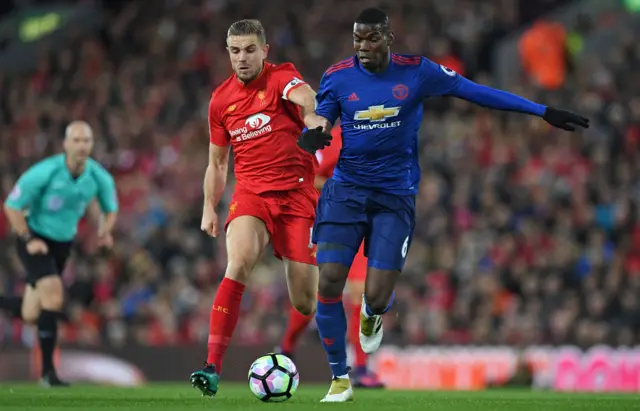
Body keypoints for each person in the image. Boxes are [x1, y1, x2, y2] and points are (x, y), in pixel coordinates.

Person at [298, 7, 589, 402]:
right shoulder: (337, 76)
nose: (363, 47)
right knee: (329, 280)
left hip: (394, 198)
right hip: (345, 193)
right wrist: (314, 133)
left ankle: (372, 314)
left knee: (378, 296)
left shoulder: (418, 72)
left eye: (371, 38)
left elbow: (477, 92)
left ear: (388, 38)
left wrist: (541, 111)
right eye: (358, 39)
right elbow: (323, 118)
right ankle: (339, 378)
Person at [189, 19, 325, 398]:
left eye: (250, 49)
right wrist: (208, 208)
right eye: (235, 51)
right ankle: (211, 366)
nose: (242, 58)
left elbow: (308, 97)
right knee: (239, 261)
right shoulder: (220, 100)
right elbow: (217, 164)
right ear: (228, 53)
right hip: (252, 195)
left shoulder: (282, 77)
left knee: (305, 301)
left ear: (264, 50)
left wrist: (313, 120)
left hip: (298, 197)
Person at [0, 121, 118, 387]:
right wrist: (28, 239)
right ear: (65, 145)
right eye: (75, 140)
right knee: (53, 296)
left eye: (86, 141)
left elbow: (110, 208)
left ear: (91, 145)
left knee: (32, 312)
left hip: (62, 245)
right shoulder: (45, 172)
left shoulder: (98, 177)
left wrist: (105, 231)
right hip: (35, 238)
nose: (81, 146)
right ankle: (48, 373)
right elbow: (12, 206)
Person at [277, 125, 384, 388]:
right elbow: (306, 178)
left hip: (360, 222)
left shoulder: (382, 137)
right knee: (312, 296)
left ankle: (360, 368)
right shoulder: (330, 138)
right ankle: (286, 350)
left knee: (362, 291)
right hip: (325, 220)